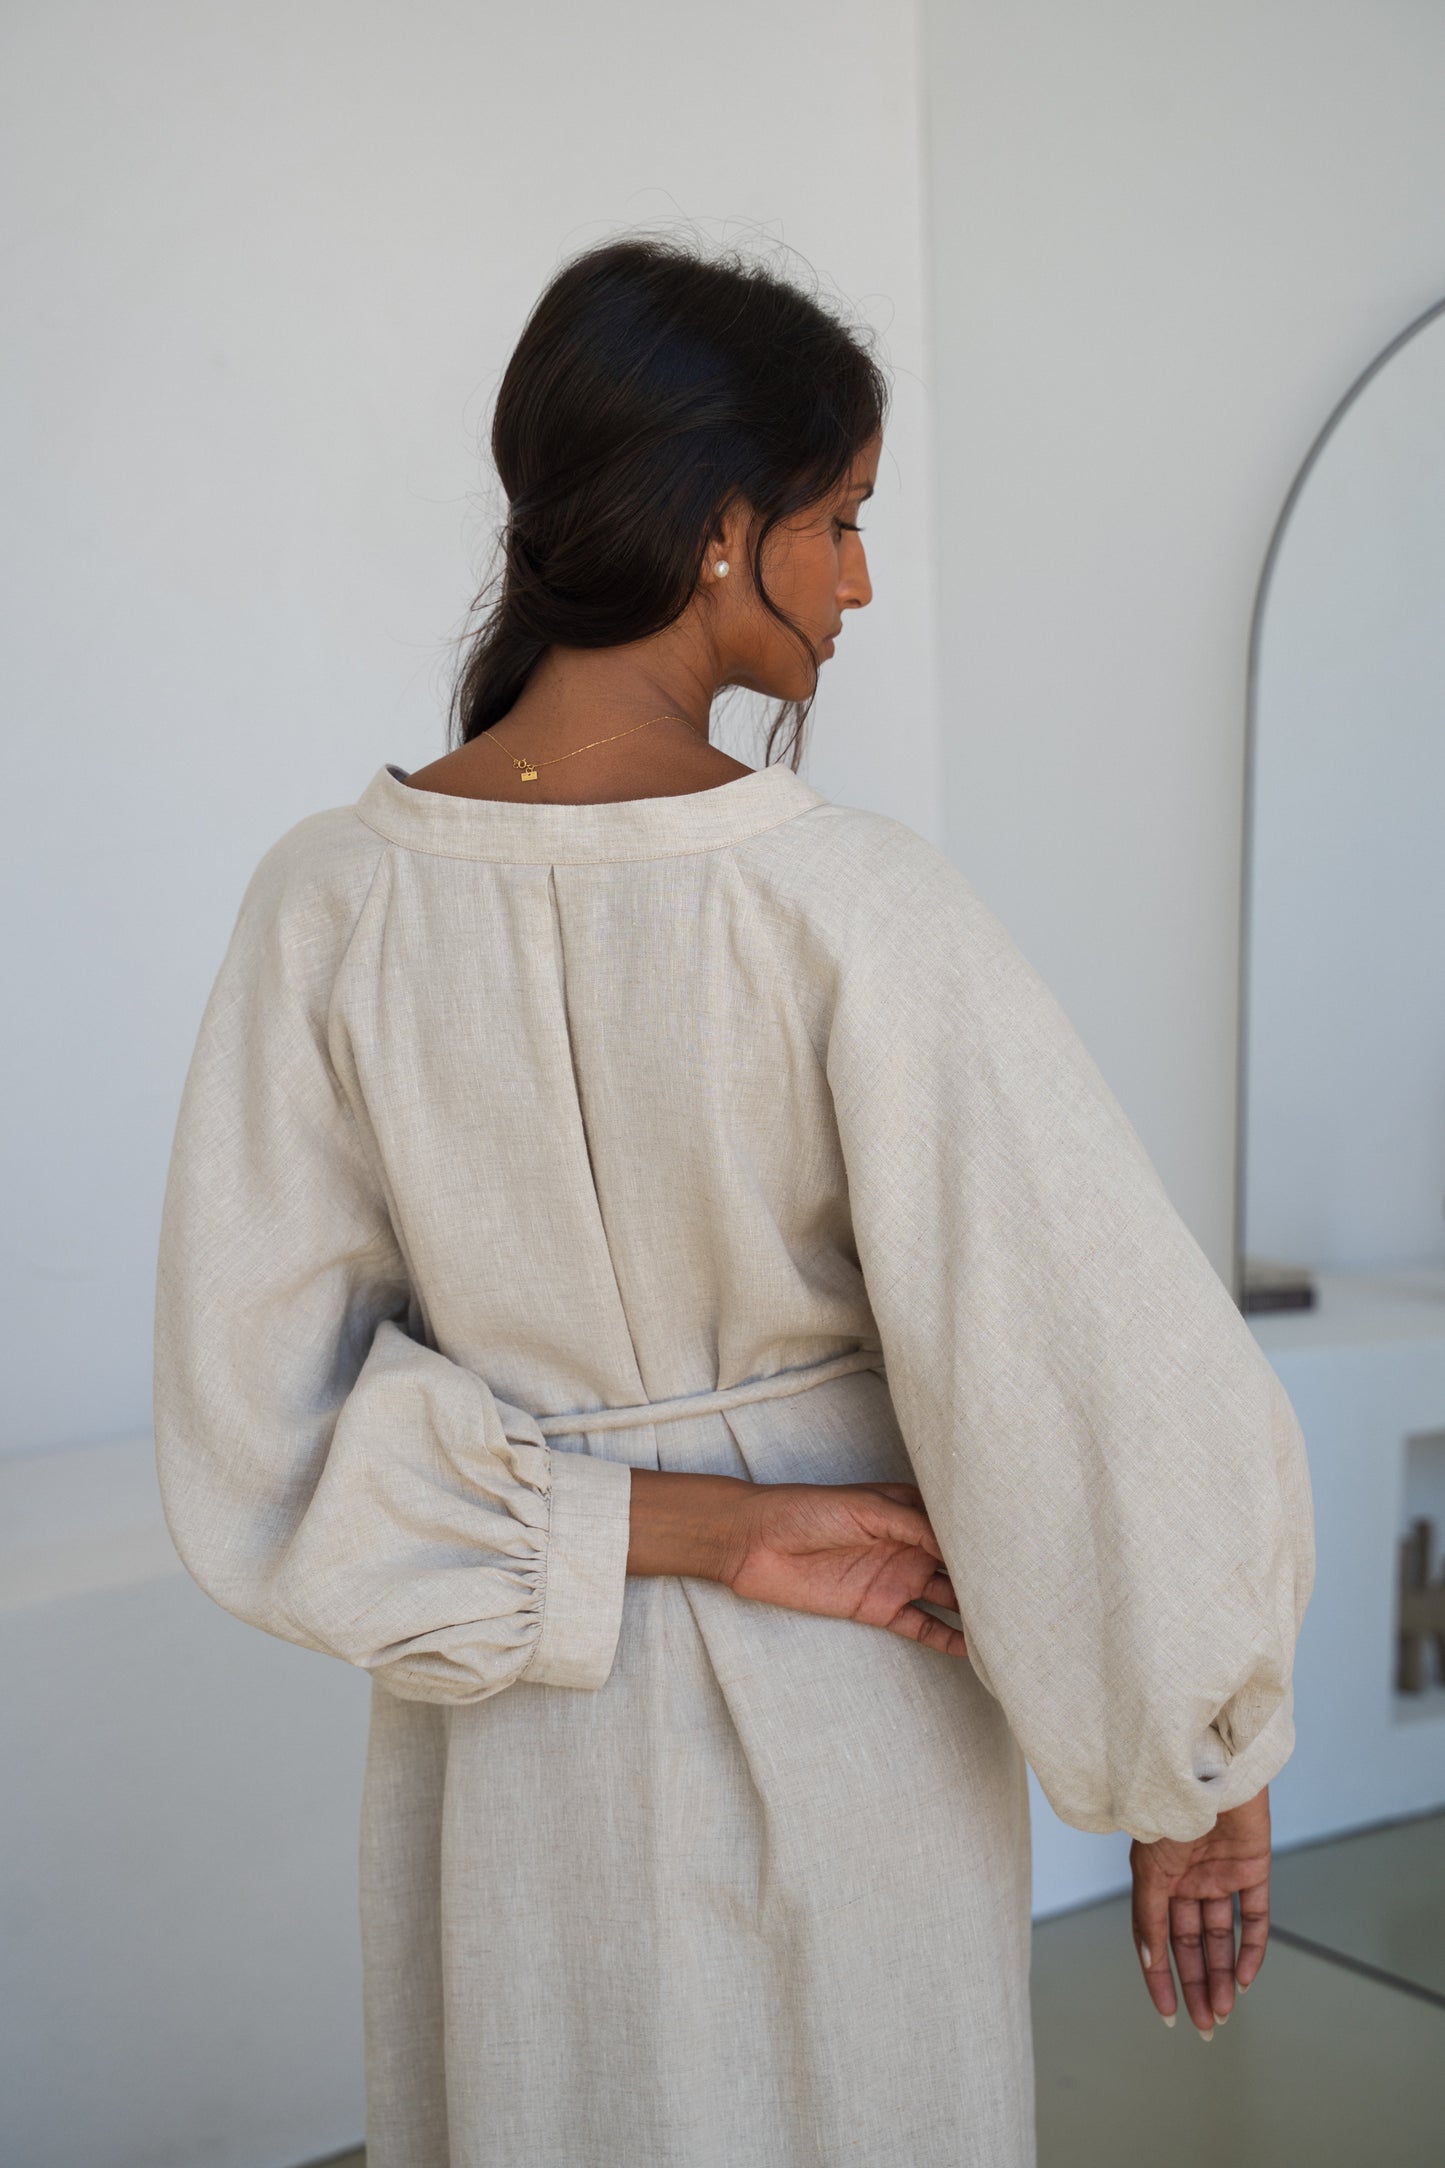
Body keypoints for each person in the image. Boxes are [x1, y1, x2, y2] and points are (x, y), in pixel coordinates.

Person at [152, 235, 1316, 2168]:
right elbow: (1080, 1355)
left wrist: (647, 1526)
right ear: (717, 527)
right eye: (838, 520)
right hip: (851, 1696)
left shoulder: (328, 902)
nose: (856, 582)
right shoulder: (846, 904)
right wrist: (1198, 1755)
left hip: (507, 1739)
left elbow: (252, 1435)